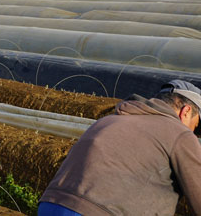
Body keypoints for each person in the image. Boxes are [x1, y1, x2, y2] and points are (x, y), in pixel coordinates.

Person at [38, 79, 201, 215]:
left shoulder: (109, 120)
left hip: (51, 204)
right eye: (196, 125)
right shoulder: (178, 132)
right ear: (185, 112)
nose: (194, 133)